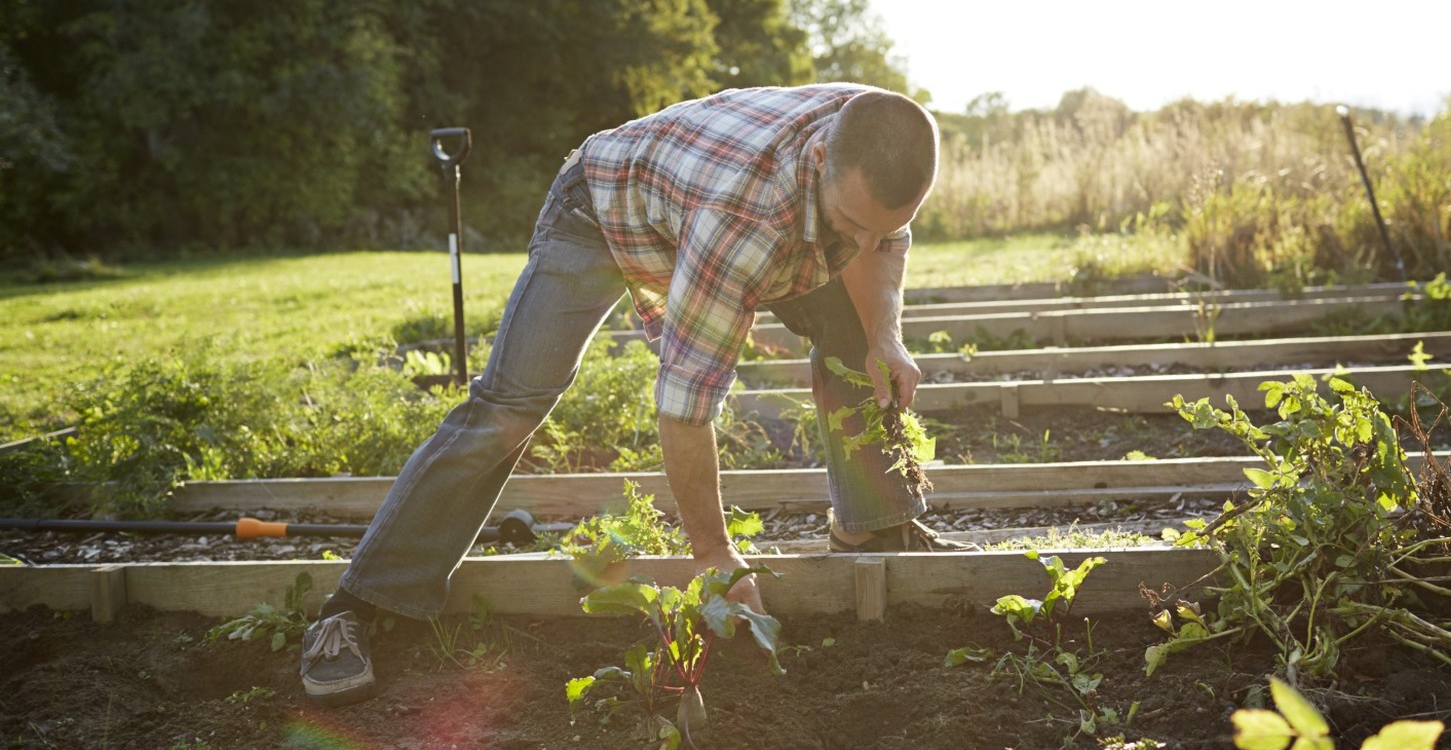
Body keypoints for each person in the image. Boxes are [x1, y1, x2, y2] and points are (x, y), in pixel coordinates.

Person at [299, 83, 975, 706]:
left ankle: (870, 526)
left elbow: (883, 241)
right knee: (510, 407)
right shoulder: (742, 218)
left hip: (699, 197)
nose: (860, 242)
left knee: (857, 333)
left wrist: (886, 336)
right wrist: (714, 559)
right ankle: (360, 605)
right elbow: (684, 406)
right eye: (850, 221)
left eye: (878, 227)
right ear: (821, 154)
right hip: (598, 207)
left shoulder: (877, 138)